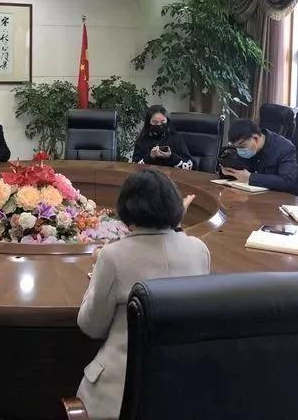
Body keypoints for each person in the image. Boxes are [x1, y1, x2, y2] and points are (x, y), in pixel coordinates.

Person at [77, 169, 210, 420]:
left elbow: (91, 327)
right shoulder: (198, 250)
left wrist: (97, 269)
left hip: (120, 395)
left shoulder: (113, 255)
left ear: (127, 207)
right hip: (184, 389)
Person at [222, 119, 298, 193]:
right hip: (248, 194)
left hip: (276, 198)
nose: (239, 151)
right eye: (236, 147)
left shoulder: (285, 148)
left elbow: (288, 181)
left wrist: (250, 177)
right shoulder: (243, 144)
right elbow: (240, 170)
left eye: (242, 147)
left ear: (255, 138)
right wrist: (228, 172)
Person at [131, 105, 193, 169]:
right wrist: (150, 157)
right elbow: (135, 166)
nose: (159, 125)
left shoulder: (175, 138)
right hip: (149, 174)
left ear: (167, 121)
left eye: (162, 122)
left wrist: (171, 156)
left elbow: (189, 166)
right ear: (149, 123)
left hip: (171, 174)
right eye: (155, 122)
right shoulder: (142, 140)